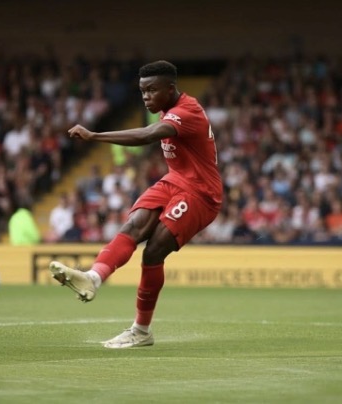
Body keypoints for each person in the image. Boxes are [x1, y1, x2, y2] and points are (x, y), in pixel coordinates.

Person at [49, 60, 223, 348]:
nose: (146, 97)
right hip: (175, 181)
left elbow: (147, 135)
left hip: (201, 193)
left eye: (152, 90)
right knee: (133, 225)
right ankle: (93, 277)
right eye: (143, 91)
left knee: (153, 251)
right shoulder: (168, 109)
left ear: (170, 88)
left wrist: (94, 136)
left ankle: (141, 331)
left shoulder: (187, 111)